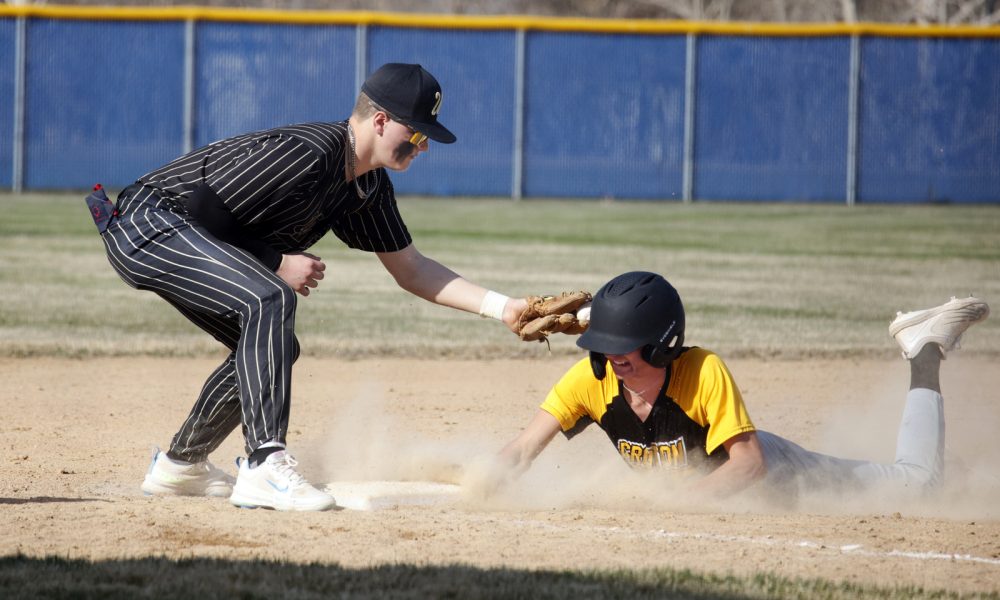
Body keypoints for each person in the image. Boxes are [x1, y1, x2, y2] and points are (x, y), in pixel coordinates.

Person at [97, 63, 531, 511]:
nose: (422, 147)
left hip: (180, 229)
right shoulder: (309, 152)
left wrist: (504, 308)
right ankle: (265, 464)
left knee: (276, 343)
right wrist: (276, 263)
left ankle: (180, 466)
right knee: (270, 297)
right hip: (149, 221)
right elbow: (203, 208)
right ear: (380, 121)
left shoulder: (367, 187)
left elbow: (413, 270)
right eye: (417, 134)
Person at [494, 271, 990, 501]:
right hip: (724, 492)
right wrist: (484, 480)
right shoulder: (591, 379)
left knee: (919, 484)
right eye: (604, 344)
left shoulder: (702, 371)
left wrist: (675, 505)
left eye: (624, 346)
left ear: (663, 345)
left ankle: (924, 349)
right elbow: (520, 450)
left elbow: (750, 465)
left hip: (781, 474)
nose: (611, 358)